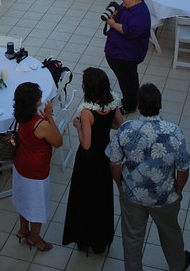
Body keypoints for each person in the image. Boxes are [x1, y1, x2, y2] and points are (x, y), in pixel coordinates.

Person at [106, 84, 190, 271]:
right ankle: (178, 265)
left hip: (132, 195)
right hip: (165, 197)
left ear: (138, 105)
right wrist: (178, 192)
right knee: (171, 233)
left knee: (132, 238)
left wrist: (121, 184)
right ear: (160, 104)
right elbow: (184, 169)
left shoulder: (126, 129)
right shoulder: (174, 131)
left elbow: (114, 163)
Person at [62, 67, 124, 254]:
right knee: (101, 197)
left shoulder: (87, 112)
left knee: (84, 198)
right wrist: (105, 125)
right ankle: (100, 239)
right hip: (105, 155)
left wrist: (78, 126)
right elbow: (120, 124)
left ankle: (84, 238)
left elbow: (86, 144)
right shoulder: (112, 103)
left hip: (88, 161)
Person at [12, 81, 63, 252]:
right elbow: (58, 141)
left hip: (21, 163)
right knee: (37, 203)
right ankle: (35, 238)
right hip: (36, 169)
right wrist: (49, 117)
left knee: (23, 197)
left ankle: (23, 229)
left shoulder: (20, 115)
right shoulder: (41, 124)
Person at [104, 0, 152, 116]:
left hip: (127, 55)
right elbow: (120, 13)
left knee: (127, 81)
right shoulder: (127, 6)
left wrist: (112, 23)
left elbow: (128, 31)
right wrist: (114, 14)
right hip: (117, 51)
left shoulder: (141, 14)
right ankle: (133, 98)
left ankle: (130, 105)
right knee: (127, 79)